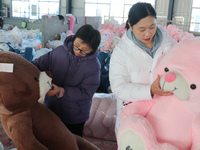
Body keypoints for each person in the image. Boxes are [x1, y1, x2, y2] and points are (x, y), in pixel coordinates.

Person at [109, 2, 177, 135]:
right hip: (133, 113)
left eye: (152, 27)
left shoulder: (168, 43)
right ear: (131, 26)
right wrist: (149, 90)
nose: (148, 33)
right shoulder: (121, 51)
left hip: (163, 112)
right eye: (142, 29)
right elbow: (118, 87)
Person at [33, 24, 101, 137]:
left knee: (72, 143)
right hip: (51, 109)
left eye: (84, 50)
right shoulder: (59, 52)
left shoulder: (93, 67)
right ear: (74, 39)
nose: (78, 51)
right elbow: (39, 64)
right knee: (50, 140)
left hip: (74, 116)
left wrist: (61, 91)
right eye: (77, 45)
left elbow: (86, 92)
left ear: (92, 49)